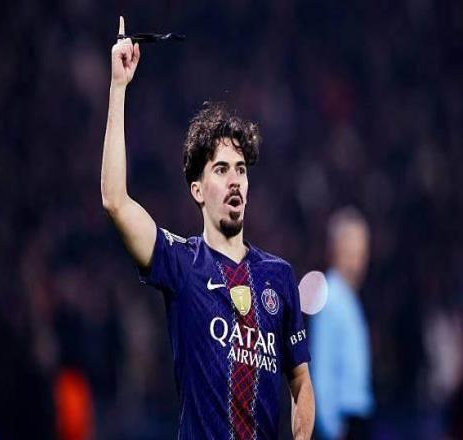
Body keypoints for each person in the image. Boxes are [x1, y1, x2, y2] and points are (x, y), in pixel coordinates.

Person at [101, 16, 314, 440]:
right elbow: (115, 200)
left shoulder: (279, 276)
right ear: (197, 190)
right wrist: (119, 87)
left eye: (241, 169)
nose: (235, 180)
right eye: (221, 169)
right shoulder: (181, 263)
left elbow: (301, 381)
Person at [309, 207, 374, 440]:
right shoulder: (331, 297)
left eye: (362, 248)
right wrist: (331, 427)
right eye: (353, 247)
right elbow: (322, 366)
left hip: (356, 416)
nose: (360, 257)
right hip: (343, 421)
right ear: (337, 248)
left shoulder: (348, 297)